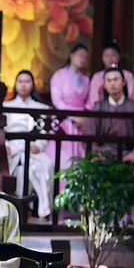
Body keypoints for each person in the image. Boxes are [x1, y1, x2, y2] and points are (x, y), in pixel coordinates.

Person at [85, 65, 134, 224]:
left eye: (116, 79)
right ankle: (100, 220)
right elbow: (89, 136)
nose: (113, 83)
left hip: (129, 154)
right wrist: (97, 153)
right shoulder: (98, 107)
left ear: (123, 83)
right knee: (94, 173)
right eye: (109, 80)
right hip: (105, 154)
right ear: (104, 85)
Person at [3, 70, 54, 218]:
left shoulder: (42, 108)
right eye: (20, 81)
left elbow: (45, 131)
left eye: (27, 81)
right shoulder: (6, 106)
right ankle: (39, 207)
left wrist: (39, 145)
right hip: (13, 149)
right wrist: (6, 146)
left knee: (44, 165)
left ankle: (41, 206)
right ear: (15, 84)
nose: (24, 85)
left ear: (32, 85)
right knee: (26, 167)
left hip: (32, 150)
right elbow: (0, 131)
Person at [49, 43, 90, 174]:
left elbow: (89, 101)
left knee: (80, 156)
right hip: (64, 119)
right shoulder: (59, 75)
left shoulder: (86, 79)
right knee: (63, 157)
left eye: (85, 57)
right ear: (72, 55)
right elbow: (57, 100)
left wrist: (84, 117)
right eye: (80, 55)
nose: (82, 59)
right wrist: (72, 116)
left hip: (81, 122)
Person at [86, 39, 134, 109]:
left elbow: (131, 96)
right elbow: (93, 99)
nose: (110, 59)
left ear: (119, 57)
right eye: (106, 56)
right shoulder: (97, 77)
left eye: (113, 55)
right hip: (102, 111)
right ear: (102, 58)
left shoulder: (128, 76)